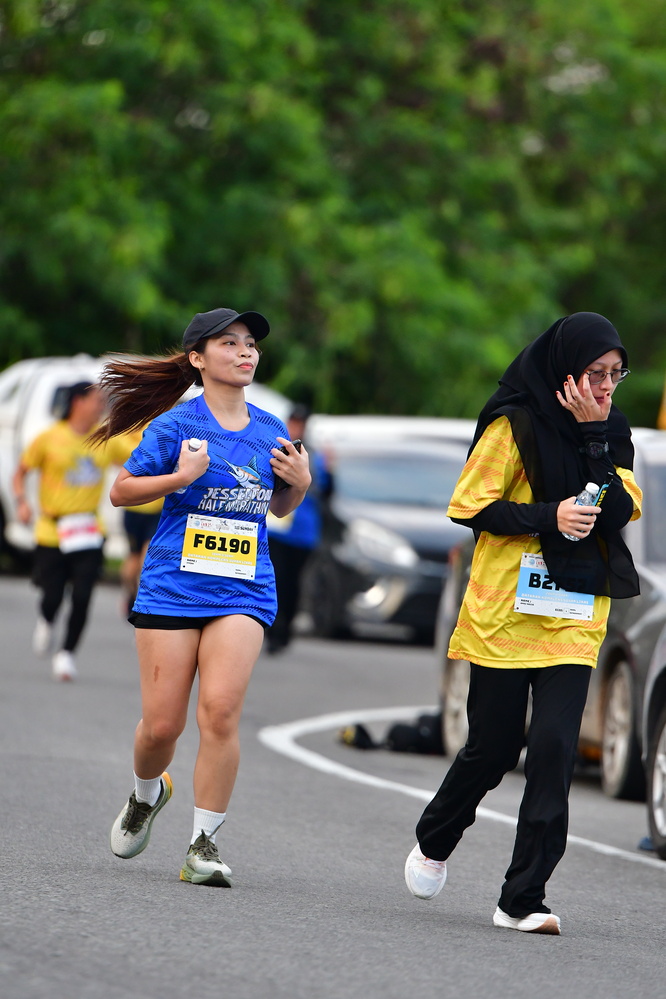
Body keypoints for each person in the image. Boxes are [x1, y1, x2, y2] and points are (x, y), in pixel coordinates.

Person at [404, 312, 642, 934]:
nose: (606, 387)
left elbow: (620, 508)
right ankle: (437, 834)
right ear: (564, 372)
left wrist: (593, 439)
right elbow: (470, 505)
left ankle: (523, 898)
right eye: (595, 374)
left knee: (555, 750)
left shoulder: (611, 430)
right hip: (505, 610)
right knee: (494, 747)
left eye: (615, 374)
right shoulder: (514, 423)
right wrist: (548, 516)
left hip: (575, 614)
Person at [94, 307, 311, 887]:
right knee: (161, 727)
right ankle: (146, 793)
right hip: (173, 584)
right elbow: (121, 492)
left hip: (243, 587)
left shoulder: (272, 429)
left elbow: (277, 508)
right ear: (197, 358)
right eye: (229, 343)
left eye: (251, 344)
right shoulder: (176, 426)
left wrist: (300, 485)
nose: (246, 352)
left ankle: (203, 844)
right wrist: (180, 478)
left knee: (219, 711)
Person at [13, 381, 108, 681]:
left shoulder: (105, 438)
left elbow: (138, 456)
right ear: (79, 402)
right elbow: (20, 473)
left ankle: (66, 654)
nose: (103, 406)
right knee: (52, 595)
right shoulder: (49, 438)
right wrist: (22, 502)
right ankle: (47, 619)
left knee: (82, 596)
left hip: (89, 530)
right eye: (97, 400)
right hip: (52, 531)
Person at [265, 403, 329, 653]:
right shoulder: (275, 446)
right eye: (292, 421)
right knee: (276, 578)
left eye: (299, 423)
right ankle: (273, 629)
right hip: (277, 528)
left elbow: (324, 491)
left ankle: (286, 628)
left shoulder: (313, 455)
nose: (295, 427)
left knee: (292, 582)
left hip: (302, 531)